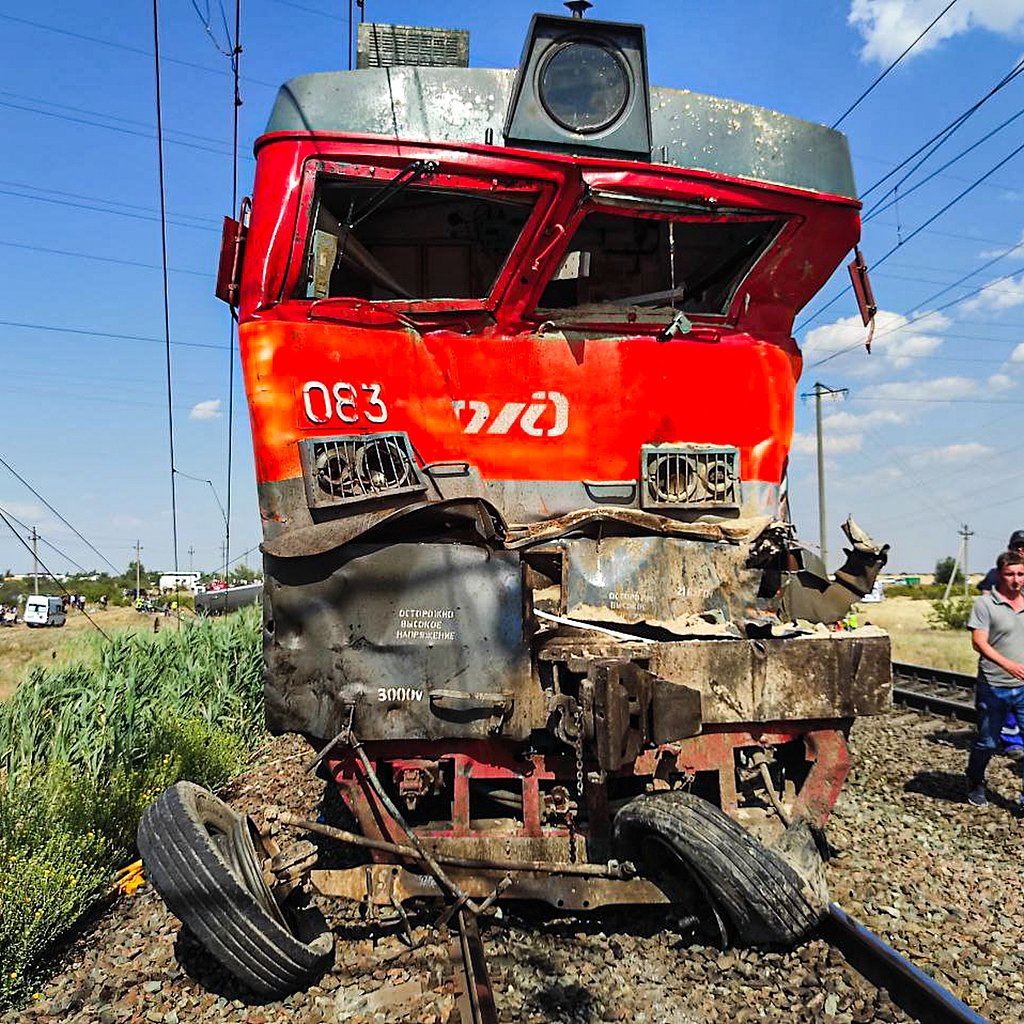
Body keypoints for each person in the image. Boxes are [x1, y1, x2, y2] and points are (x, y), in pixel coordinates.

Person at [965, 550, 1024, 807]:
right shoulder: (985, 604)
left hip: (1023, 687)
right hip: (994, 685)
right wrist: (1008, 665)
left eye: (1021, 574)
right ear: (1000, 574)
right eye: (1010, 574)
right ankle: (975, 781)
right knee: (987, 742)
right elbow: (979, 643)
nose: (1016, 579)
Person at [977, 530, 1024, 760]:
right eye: (1018, 545)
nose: (1022, 549)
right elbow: (985, 601)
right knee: (1006, 696)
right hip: (1002, 646)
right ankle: (1011, 741)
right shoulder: (997, 574)